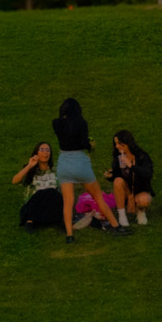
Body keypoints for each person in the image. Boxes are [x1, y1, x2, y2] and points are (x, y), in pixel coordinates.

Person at [52, 98, 130, 244]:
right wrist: (91, 145)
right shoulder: (82, 123)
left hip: (64, 164)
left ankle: (69, 235)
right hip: (80, 163)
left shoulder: (56, 123)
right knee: (97, 196)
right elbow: (83, 144)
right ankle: (116, 226)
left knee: (67, 202)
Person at [106, 130, 156, 227]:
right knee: (118, 181)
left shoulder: (142, 156)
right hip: (126, 191)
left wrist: (131, 166)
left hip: (140, 190)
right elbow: (116, 177)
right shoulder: (118, 158)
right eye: (115, 144)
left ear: (128, 143)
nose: (117, 146)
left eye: (119, 144)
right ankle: (122, 216)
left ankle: (140, 211)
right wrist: (109, 175)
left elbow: (148, 174)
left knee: (144, 199)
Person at [13, 141, 62, 229]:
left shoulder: (55, 171)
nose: (45, 152)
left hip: (50, 206)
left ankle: (32, 220)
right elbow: (15, 181)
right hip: (33, 206)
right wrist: (29, 165)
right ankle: (31, 219)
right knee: (40, 193)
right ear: (37, 153)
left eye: (48, 150)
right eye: (42, 150)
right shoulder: (30, 170)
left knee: (53, 193)